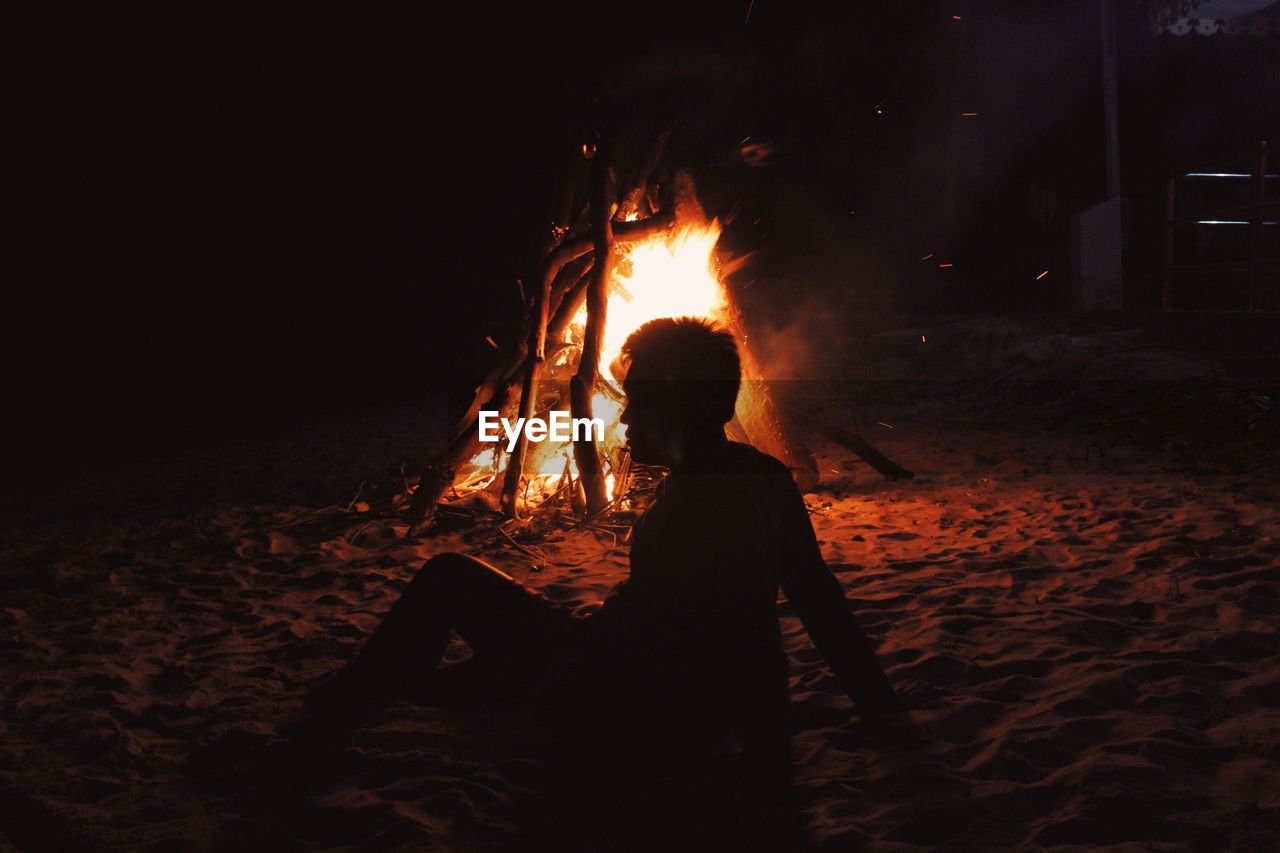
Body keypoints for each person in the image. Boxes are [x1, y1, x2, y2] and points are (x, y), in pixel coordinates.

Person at [290, 317, 898, 841]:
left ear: (675, 403)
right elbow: (816, 602)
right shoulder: (764, 477)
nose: (627, 416)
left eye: (638, 399)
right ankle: (428, 687)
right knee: (487, 660)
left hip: (630, 707)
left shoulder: (697, 507)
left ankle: (334, 720)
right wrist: (877, 709)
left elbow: (681, 648)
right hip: (689, 705)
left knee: (450, 577)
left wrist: (755, 765)